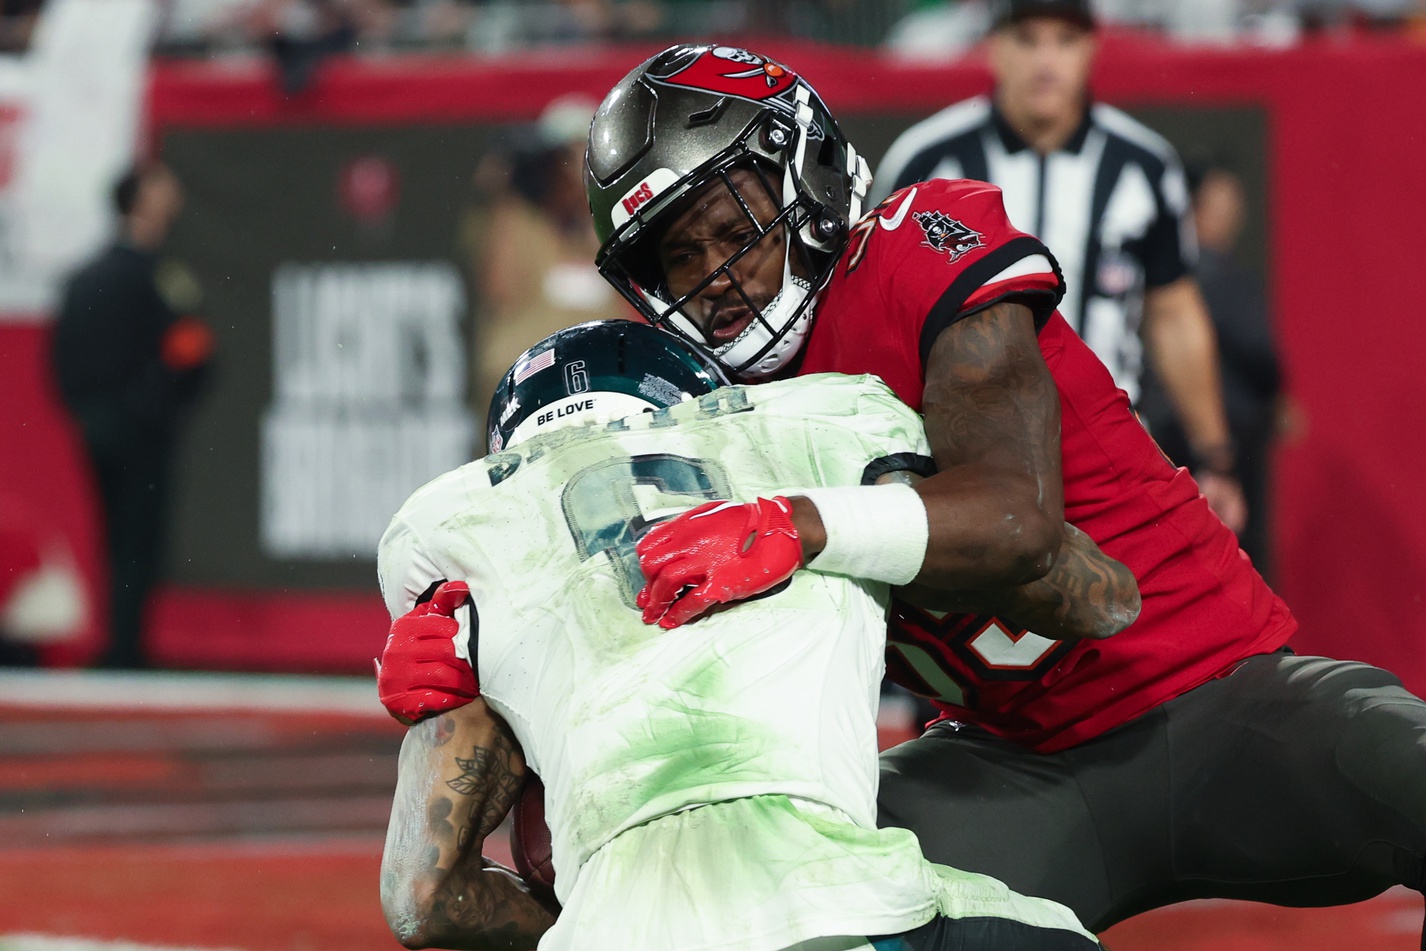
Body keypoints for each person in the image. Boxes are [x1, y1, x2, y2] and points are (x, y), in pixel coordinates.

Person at [581, 44, 1426, 937]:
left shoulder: (914, 251)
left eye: (734, 226)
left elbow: (1018, 519)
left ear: (808, 180)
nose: (718, 275)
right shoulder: (697, 422)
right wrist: (465, 658)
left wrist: (802, 520)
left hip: (1217, 696)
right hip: (1011, 768)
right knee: (752, 891)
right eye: (680, 255)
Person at [374, 320, 1113, 950]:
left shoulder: (459, 539)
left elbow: (419, 897)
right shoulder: (820, 429)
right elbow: (1103, 598)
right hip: (844, 906)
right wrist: (826, 525)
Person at [873, 0, 1246, 533]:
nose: (1046, 61)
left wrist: (1215, 457)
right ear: (995, 46)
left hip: (1108, 444)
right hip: (963, 451)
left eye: (1064, 40)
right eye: (1027, 39)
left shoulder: (1142, 163)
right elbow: (881, 308)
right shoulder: (927, 160)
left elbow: (1174, 313)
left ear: (1093, 47)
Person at [50, 163, 215, 670]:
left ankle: (119, 642)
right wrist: (153, 404)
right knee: (137, 538)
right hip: (140, 431)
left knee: (115, 535)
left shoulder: (85, 277)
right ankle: (125, 648)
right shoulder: (159, 276)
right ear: (141, 200)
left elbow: (61, 359)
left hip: (99, 427)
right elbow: (194, 348)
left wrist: (90, 411)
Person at [1139, 162, 1286, 580]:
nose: (1233, 214)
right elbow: (1258, 349)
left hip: (1160, 429)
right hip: (1225, 433)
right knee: (1234, 548)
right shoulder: (1217, 275)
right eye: (1222, 203)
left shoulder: (1153, 274)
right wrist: (1274, 394)